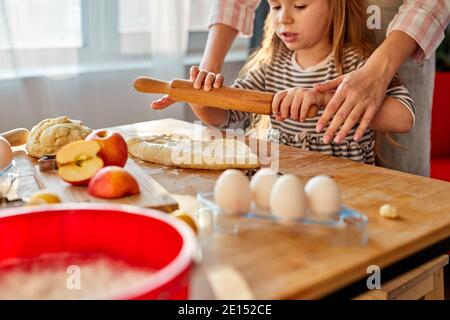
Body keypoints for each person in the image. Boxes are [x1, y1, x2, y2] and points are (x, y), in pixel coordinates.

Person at [153, 0, 450, 176]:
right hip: (284, 191)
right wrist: (198, 96)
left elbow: (403, 118)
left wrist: (323, 100)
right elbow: (225, 116)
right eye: (276, 6)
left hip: (349, 195)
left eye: (300, 5)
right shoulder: (271, 65)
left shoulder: (357, 64)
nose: (285, 18)